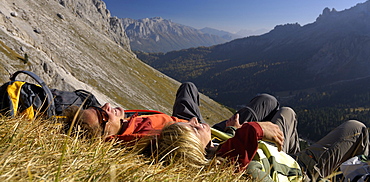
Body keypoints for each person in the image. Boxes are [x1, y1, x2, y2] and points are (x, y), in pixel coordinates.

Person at [154, 83, 370, 182]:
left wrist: (233, 130)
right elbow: (245, 162)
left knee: (286, 111)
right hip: (297, 171)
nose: (194, 120)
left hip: (278, 158)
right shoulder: (231, 168)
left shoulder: (216, 151)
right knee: (357, 129)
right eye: (192, 128)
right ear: (194, 147)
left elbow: (238, 150)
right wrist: (251, 130)